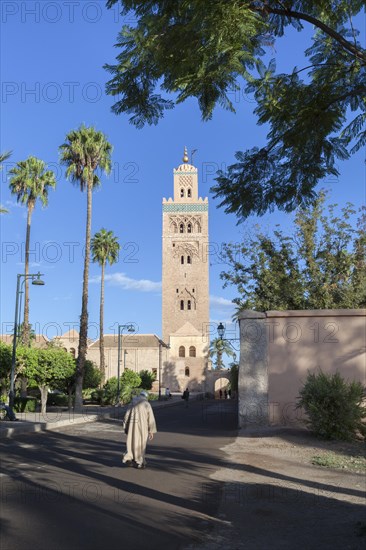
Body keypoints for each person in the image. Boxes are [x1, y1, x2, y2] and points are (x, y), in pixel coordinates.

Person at [122, 390, 157, 469]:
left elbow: (126, 415)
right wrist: (151, 431)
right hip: (142, 427)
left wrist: (125, 426)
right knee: (141, 444)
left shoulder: (132, 402)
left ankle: (129, 457)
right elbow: (151, 419)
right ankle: (139, 461)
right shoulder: (146, 404)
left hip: (132, 425)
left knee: (131, 442)